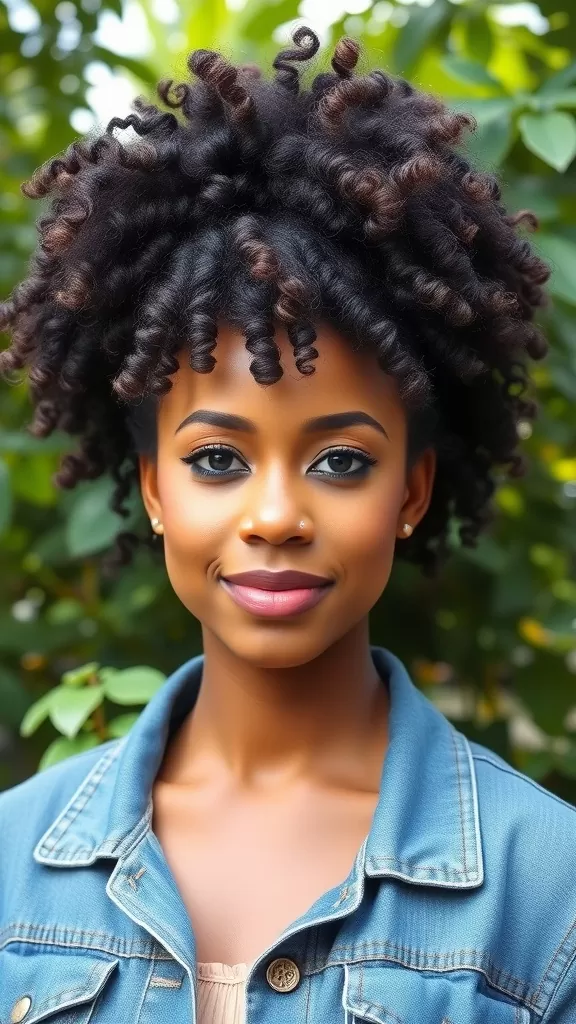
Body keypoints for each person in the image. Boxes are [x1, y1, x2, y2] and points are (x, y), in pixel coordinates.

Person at [0, 25, 574, 1024]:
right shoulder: (10, 868)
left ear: (411, 490)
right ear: (151, 488)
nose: (275, 516)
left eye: (340, 461)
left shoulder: (548, 894)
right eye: (217, 459)